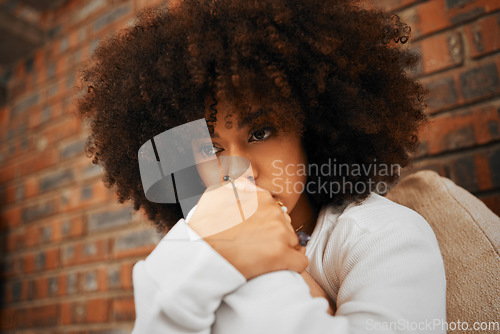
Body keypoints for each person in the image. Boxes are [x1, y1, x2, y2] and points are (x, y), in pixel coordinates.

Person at [76, 0, 447, 333]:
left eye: (261, 131)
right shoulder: (195, 242)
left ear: (313, 131)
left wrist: (249, 263)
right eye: (211, 147)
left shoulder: (383, 236)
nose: (239, 170)